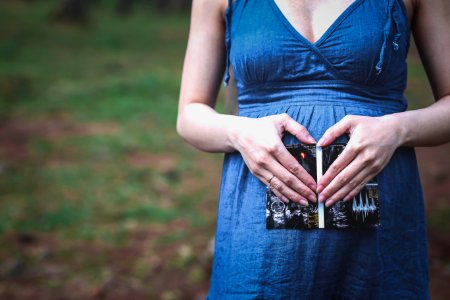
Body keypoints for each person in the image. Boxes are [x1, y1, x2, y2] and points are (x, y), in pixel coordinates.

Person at [176, 0, 450, 298]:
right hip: (258, 237)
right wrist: (239, 132)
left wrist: (398, 129)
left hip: (379, 231)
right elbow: (189, 114)